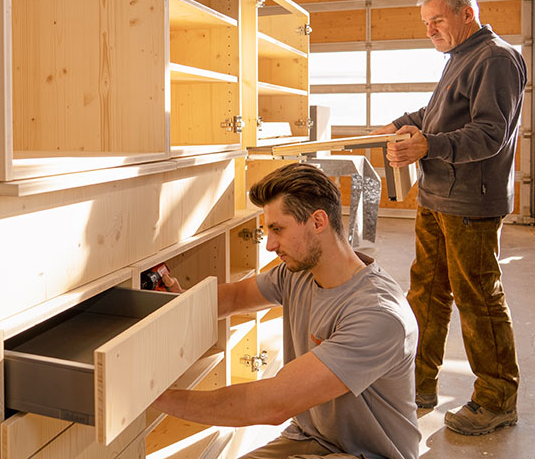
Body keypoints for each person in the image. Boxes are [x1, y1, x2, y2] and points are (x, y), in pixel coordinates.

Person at [153, 163, 420, 459]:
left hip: (371, 454)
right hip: (314, 438)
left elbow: (272, 404)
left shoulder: (378, 315)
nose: (270, 245)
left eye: (277, 229)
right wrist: (179, 304)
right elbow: (235, 297)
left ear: (318, 222)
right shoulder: (297, 273)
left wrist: (156, 399)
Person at [372, 0, 525, 436]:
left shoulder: (496, 58)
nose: (430, 31)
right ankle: (418, 384)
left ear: (466, 13)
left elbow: (489, 133)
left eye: (437, 20)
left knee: (478, 298)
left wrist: (428, 146)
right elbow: (438, 114)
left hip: (470, 203)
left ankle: (497, 399)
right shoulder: (460, 56)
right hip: (438, 196)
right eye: (425, 23)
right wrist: (401, 124)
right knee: (427, 293)